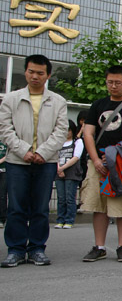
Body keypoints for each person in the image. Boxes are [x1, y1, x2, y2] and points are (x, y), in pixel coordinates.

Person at [0, 55, 68, 267]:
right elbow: (5, 129)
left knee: (40, 208)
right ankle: (16, 249)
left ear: (48, 75)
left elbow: (61, 131)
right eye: (31, 72)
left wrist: (43, 153)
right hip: (17, 161)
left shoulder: (58, 101)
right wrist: (24, 150)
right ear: (26, 72)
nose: (35, 76)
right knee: (16, 207)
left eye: (40, 73)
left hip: (45, 162)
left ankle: (37, 248)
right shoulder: (11, 99)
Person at [81, 65, 122, 262]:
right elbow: (88, 133)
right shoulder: (98, 105)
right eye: (110, 82)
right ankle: (99, 246)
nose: (113, 86)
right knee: (99, 205)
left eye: (118, 82)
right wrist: (95, 159)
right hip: (98, 162)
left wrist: (115, 156)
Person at [55, 120, 84, 230]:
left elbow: (76, 157)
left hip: (71, 173)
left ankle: (69, 220)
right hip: (59, 172)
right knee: (61, 197)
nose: (67, 133)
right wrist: (58, 168)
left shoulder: (78, 142)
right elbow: (55, 156)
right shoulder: (58, 143)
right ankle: (60, 219)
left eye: (69, 130)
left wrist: (62, 168)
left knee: (70, 198)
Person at [0, 139, 7, 230]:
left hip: (4, 170)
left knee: (2, 195)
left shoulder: (6, 141)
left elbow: (9, 153)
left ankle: (2, 219)